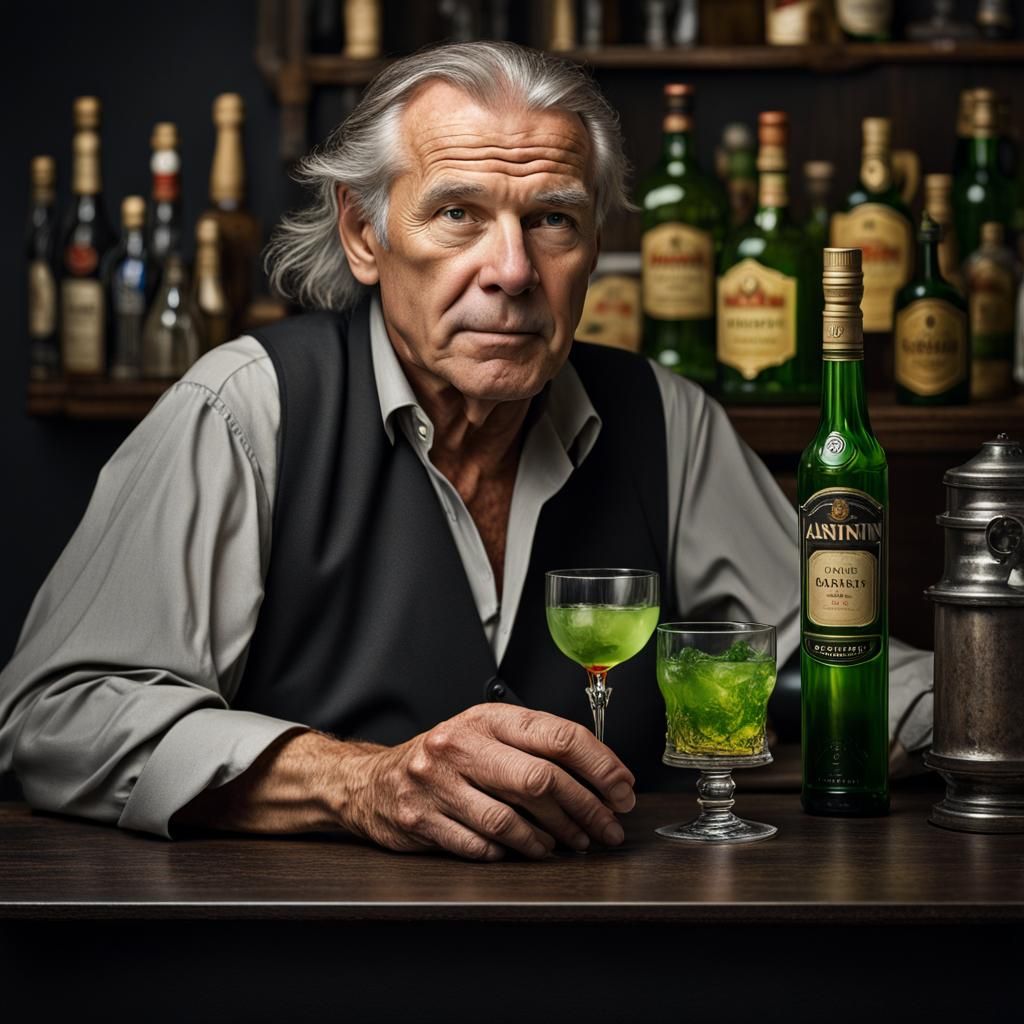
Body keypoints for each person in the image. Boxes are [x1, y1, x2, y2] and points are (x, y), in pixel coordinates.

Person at [0, 42, 933, 861]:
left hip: (619, 963)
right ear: (364, 233)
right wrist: (355, 783)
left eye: (553, 220)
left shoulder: (667, 421)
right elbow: (53, 715)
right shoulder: (243, 410)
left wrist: (983, 706)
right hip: (301, 962)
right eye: (457, 214)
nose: (514, 270)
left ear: (596, 244)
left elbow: (852, 667)